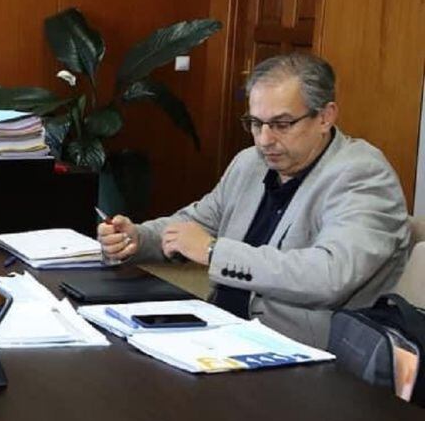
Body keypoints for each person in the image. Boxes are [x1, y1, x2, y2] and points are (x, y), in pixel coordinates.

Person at [98, 53, 410, 348]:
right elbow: (197, 221)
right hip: (220, 331)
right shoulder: (251, 163)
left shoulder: (362, 175)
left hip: (302, 353)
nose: (264, 139)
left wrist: (212, 251)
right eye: (256, 123)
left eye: (282, 124)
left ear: (325, 117)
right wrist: (138, 238)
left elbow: (330, 274)